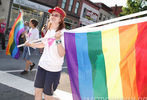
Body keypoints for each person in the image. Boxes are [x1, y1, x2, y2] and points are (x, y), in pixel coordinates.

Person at [25, 6, 66, 100]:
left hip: (53, 69)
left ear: (60, 19)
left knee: (48, 96)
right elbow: (43, 44)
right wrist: (31, 44)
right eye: (52, 14)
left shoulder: (64, 33)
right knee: (37, 92)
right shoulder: (49, 30)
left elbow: (61, 53)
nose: (53, 16)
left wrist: (58, 39)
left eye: (56, 15)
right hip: (42, 65)